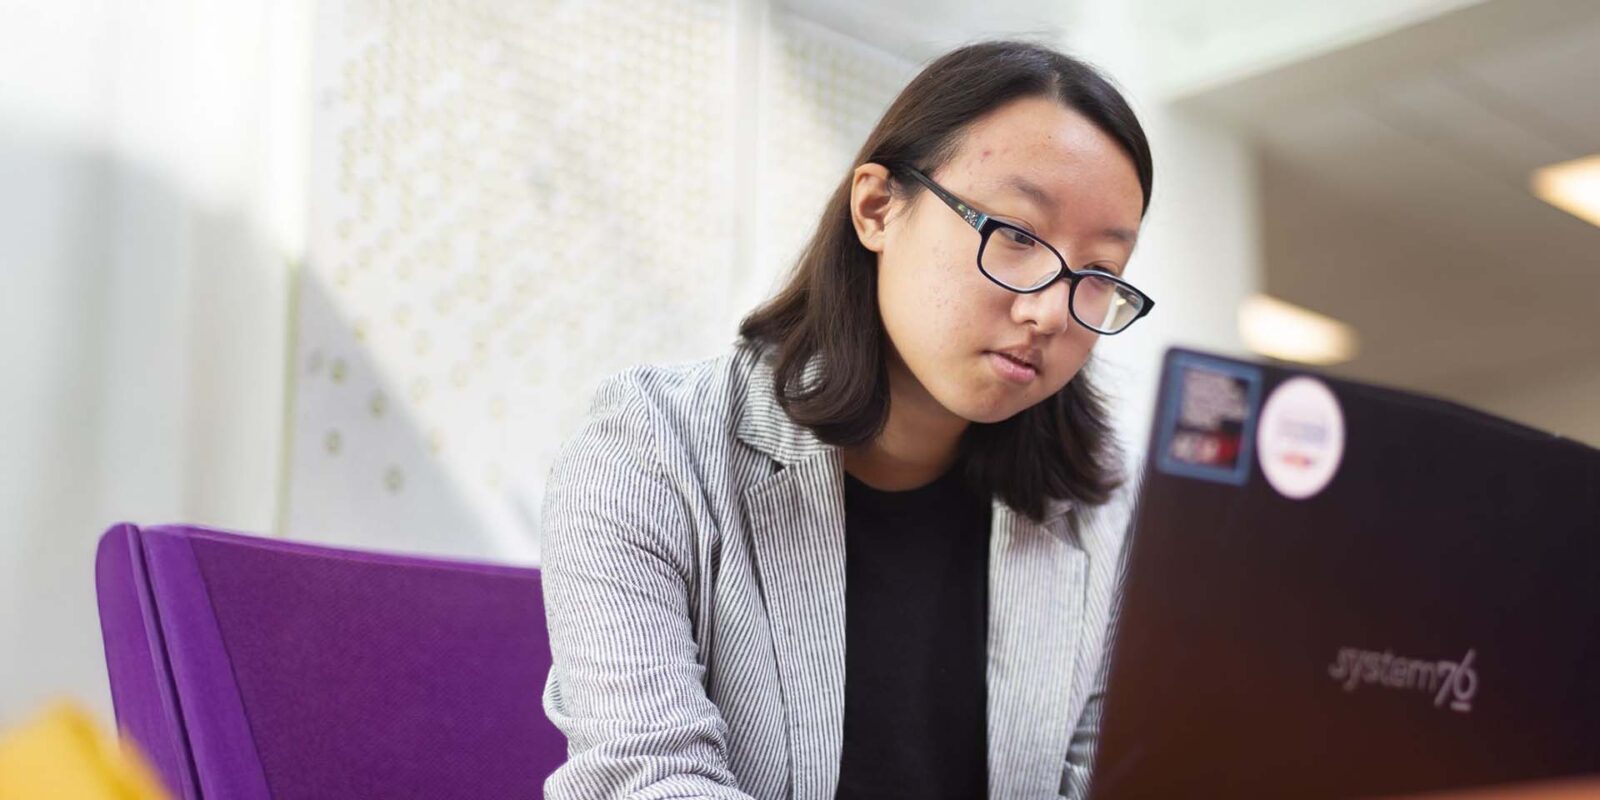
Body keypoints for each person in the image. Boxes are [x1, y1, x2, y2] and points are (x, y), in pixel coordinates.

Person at [539, 39, 1155, 800]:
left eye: (1099, 274)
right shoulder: (650, 449)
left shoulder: (1103, 516)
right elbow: (647, 779)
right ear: (877, 208)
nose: (1050, 311)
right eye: (1018, 236)